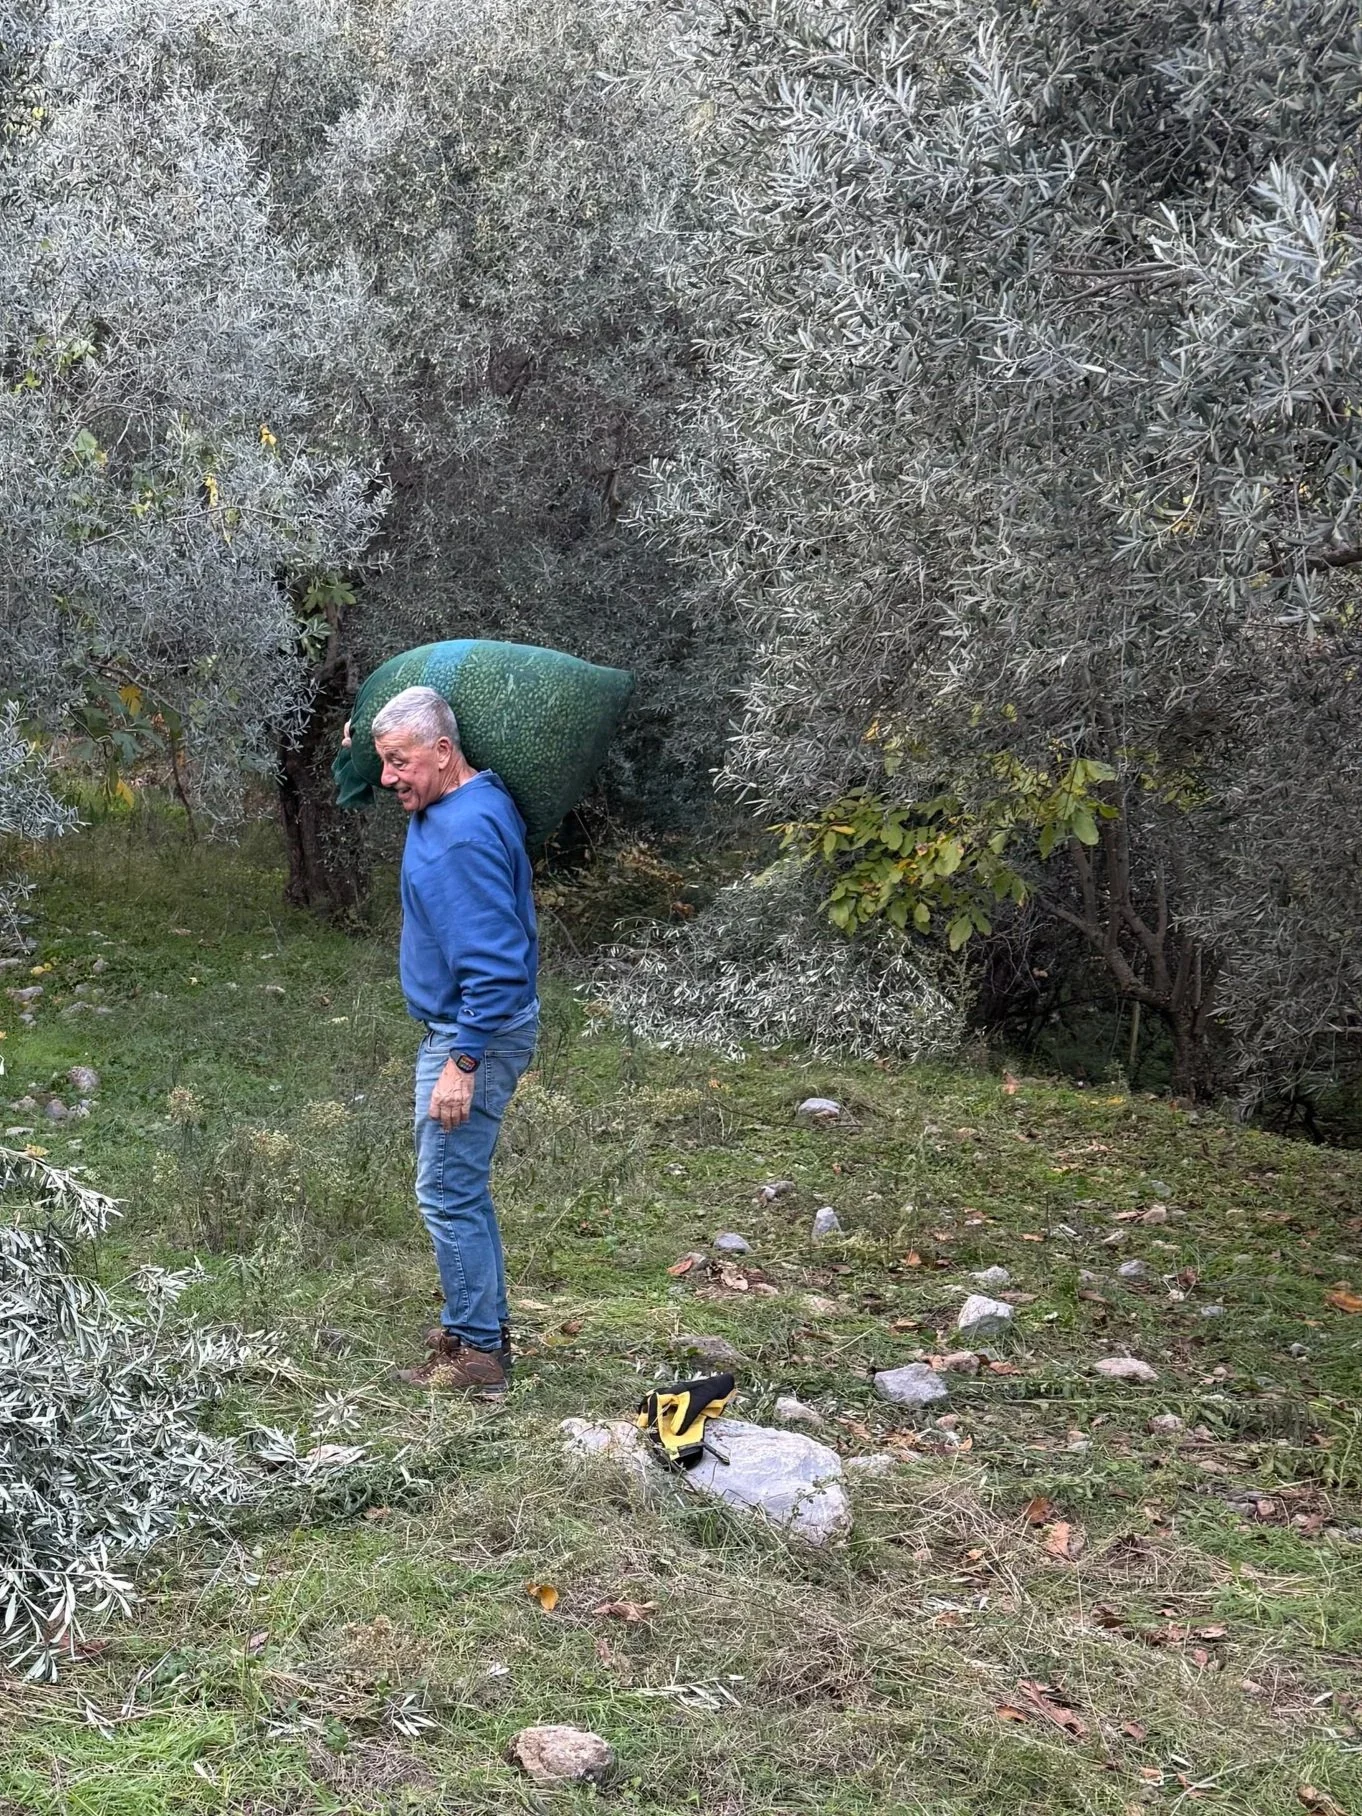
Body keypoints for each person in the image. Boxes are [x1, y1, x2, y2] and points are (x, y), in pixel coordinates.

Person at [351, 686, 538, 1394]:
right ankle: (473, 1332)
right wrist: (366, 754)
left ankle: (479, 1358)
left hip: (473, 1033)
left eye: (400, 762)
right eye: (381, 764)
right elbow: (382, 778)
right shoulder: (465, 797)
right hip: (474, 1029)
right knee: (459, 1188)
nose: (389, 778)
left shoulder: (461, 835)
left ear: (442, 750)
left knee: (447, 1192)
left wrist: (462, 1063)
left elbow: (496, 965)